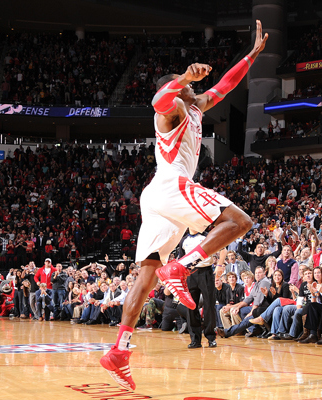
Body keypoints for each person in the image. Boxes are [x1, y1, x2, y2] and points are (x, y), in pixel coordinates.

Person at [100, 21, 268, 390]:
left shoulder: (196, 105)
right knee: (240, 221)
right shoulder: (172, 108)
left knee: (145, 276)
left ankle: (119, 351)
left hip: (157, 198)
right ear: (177, 89)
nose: (195, 87)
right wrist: (181, 80)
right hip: (171, 184)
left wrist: (252, 55)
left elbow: (225, 86)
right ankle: (182, 266)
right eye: (189, 85)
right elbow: (158, 101)